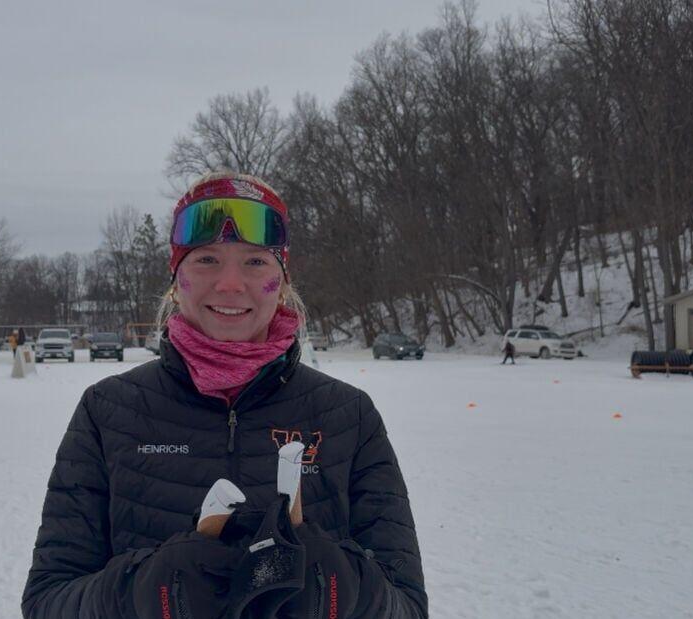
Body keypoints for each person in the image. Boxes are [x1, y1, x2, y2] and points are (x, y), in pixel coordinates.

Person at [22, 172, 427, 619]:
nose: (230, 284)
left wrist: (349, 588)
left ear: (283, 282)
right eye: (207, 259)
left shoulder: (348, 415)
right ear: (176, 279)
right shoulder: (107, 411)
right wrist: (137, 594)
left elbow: (407, 606)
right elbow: (47, 600)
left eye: (255, 261)